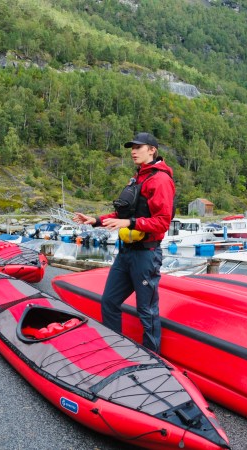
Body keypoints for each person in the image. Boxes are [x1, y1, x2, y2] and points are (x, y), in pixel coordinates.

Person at [73, 132, 175, 353]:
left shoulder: (161, 180)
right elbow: (122, 213)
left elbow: (162, 222)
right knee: (109, 301)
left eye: (139, 147)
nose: (133, 151)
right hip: (126, 253)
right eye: (132, 147)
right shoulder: (138, 178)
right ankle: (115, 351)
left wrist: (127, 222)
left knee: (146, 311)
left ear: (152, 150)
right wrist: (96, 220)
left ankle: (153, 360)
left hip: (146, 255)